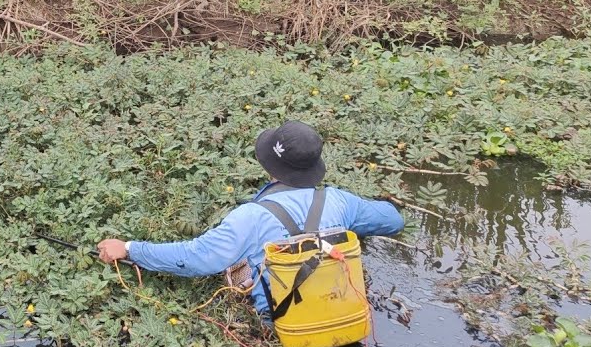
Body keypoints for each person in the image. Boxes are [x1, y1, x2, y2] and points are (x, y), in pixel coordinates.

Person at [96, 120, 405, 316]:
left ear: (270, 165)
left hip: (283, 325)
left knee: (240, 268)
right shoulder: (340, 200)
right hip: (345, 314)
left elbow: (194, 258)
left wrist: (129, 248)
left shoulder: (250, 217)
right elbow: (393, 221)